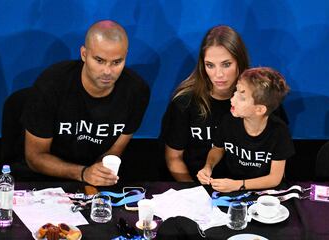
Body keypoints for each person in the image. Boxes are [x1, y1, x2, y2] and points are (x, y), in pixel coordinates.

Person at [22, 20, 150, 186]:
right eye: (99, 60)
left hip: (96, 183)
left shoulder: (136, 91)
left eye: (117, 62)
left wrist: (97, 175)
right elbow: (35, 158)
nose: (107, 71)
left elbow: (114, 151)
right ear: (84, 54)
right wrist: (82, 173)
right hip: (47, 180)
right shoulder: (51, 85)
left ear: (126, 56)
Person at [160, 25, 250, 181]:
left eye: (226, 64)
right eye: (210, 65)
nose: (218, 74)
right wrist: (194, 194)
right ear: (203, 65)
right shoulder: (184, 102)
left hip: (245, 188)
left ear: (239, 62)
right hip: (196, 187)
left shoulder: (259, 97)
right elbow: (174, 158)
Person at [197, 67, 295, 192]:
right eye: (236, 91)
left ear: (259, 110)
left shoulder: (279, 131)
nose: (232, 99)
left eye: (242, 98)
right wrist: (208, 167)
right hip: (231, 187)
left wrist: (239, 185)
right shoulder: (228, 121)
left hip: (264, 193)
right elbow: (217, 149)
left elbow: (274, 178)